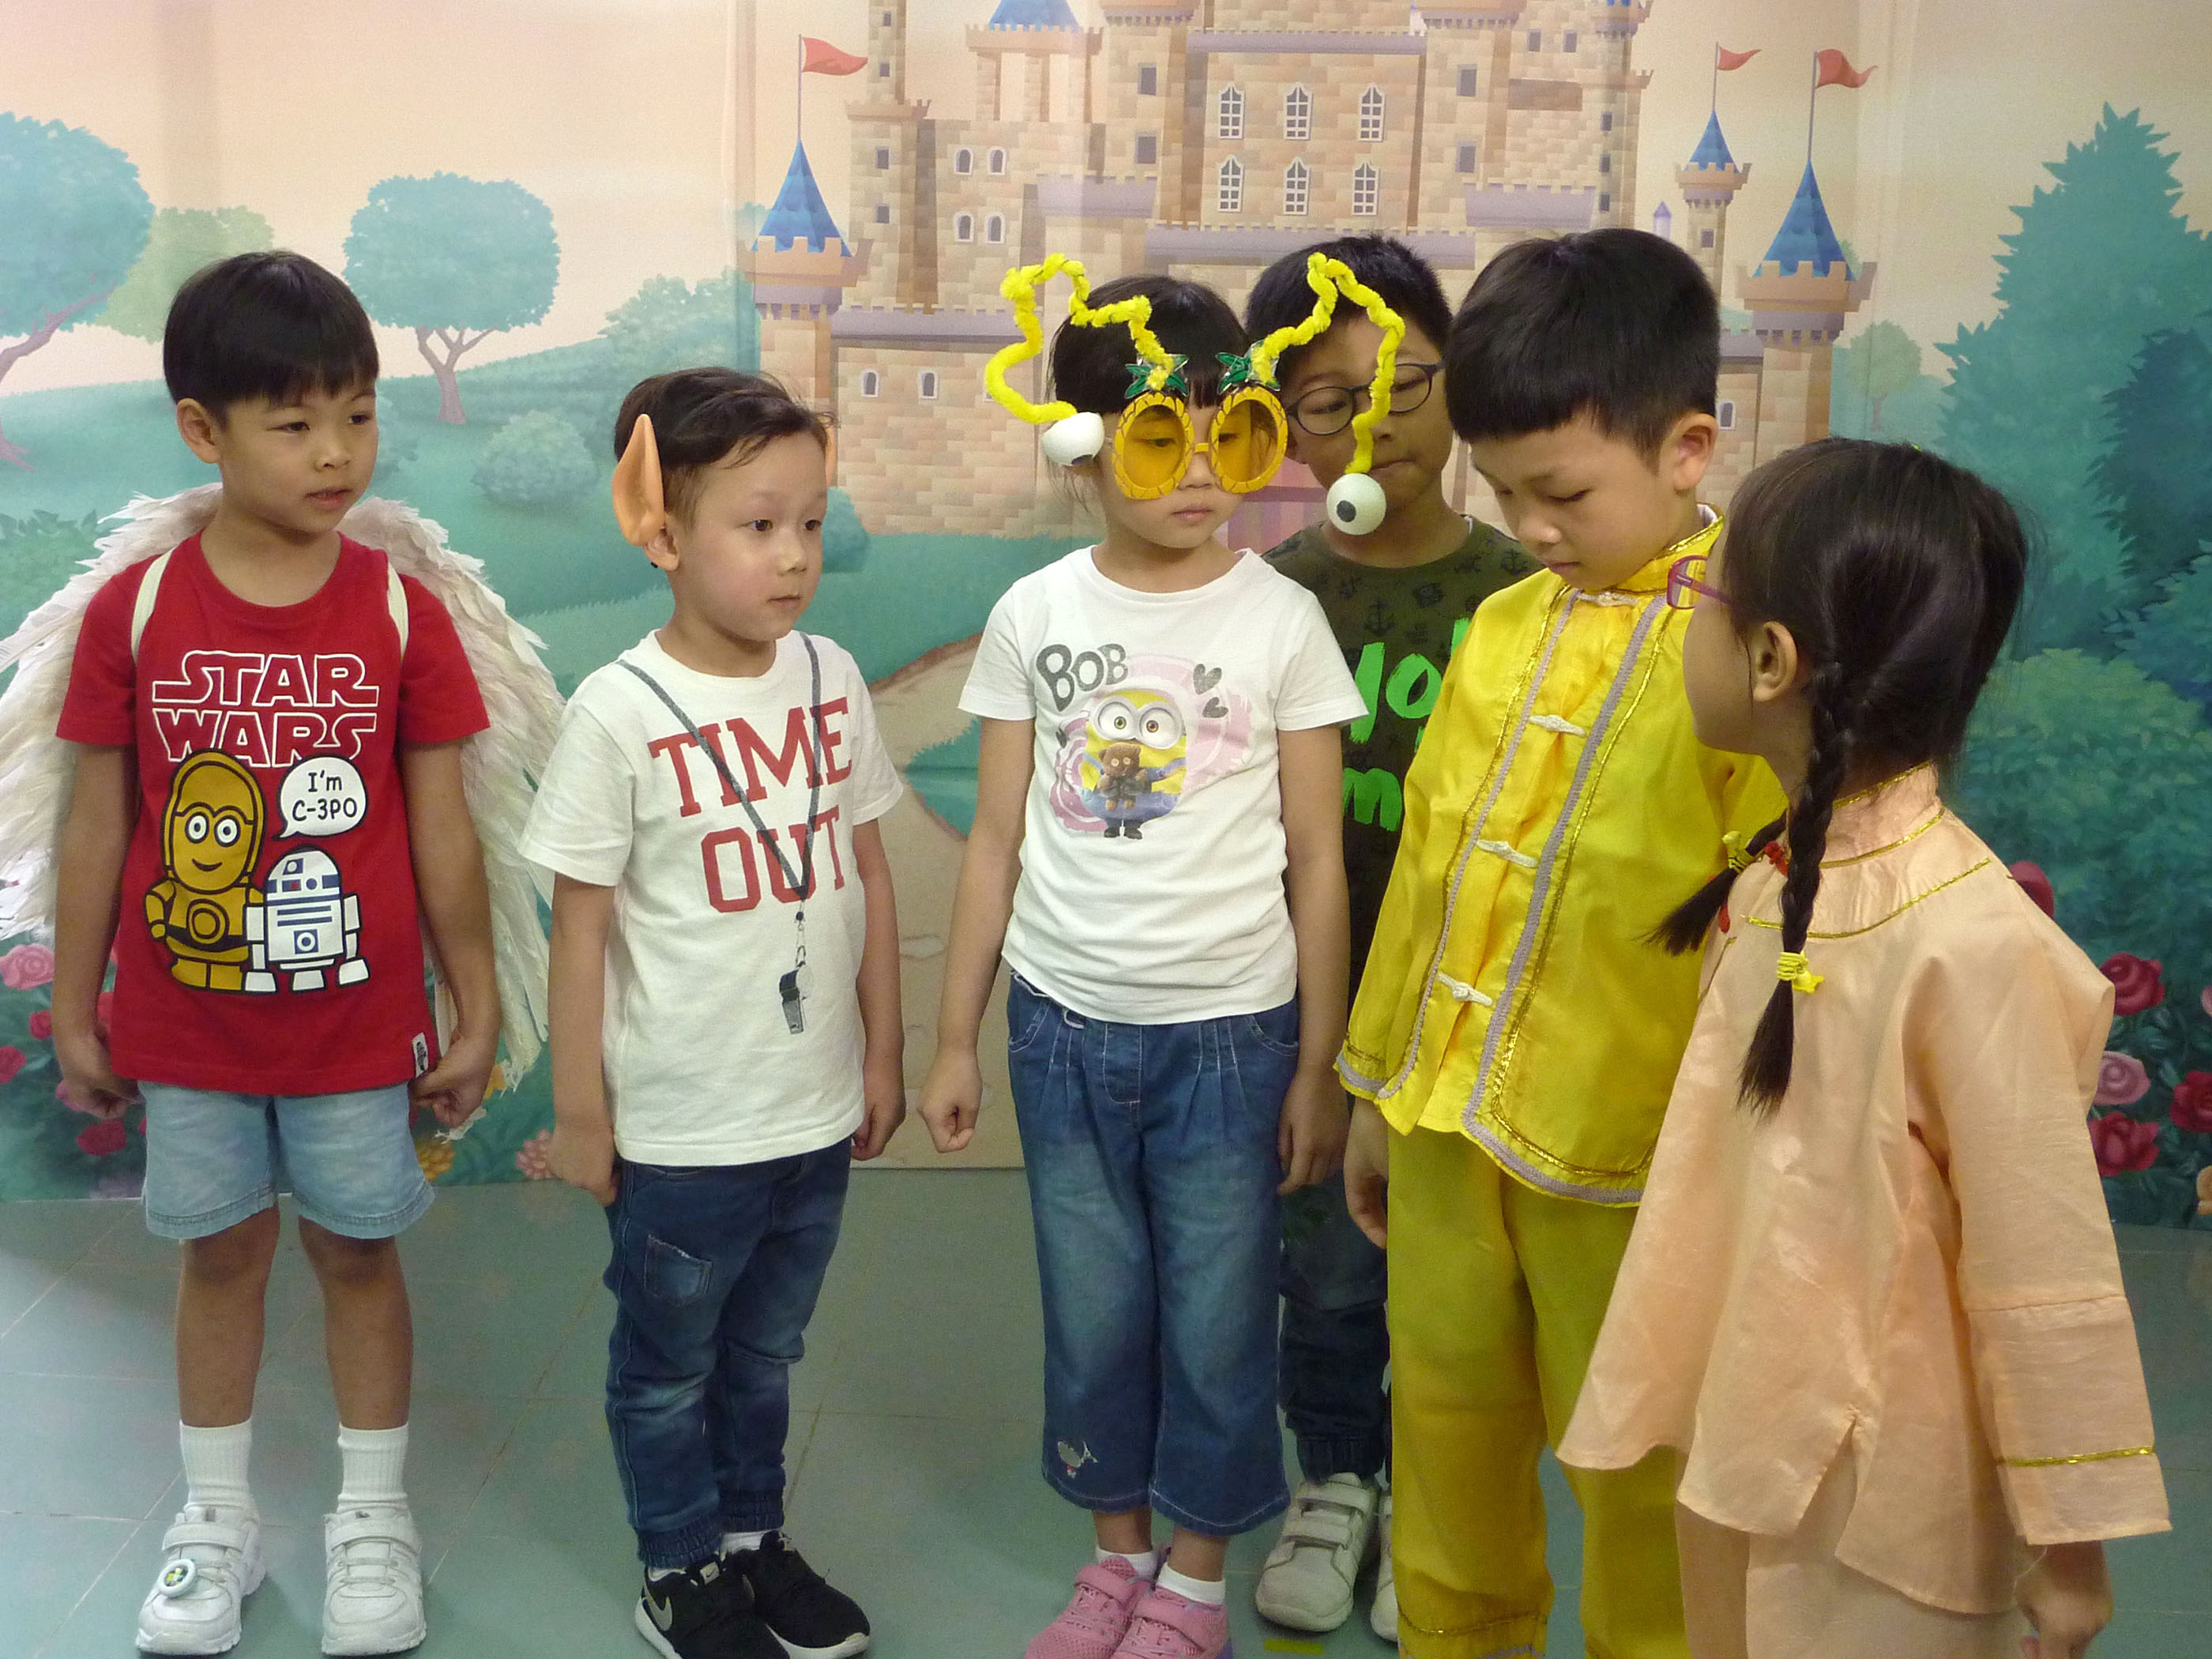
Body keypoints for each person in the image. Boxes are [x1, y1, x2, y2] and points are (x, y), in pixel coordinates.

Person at [1559, 439, 2170, 1659]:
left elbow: (2040, 1258)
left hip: (1890, 1504)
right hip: (1744, 1436)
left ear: (1770, 660)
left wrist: (2070, 1548)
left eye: (1701, 594)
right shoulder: (1774, 887)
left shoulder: (1969, 941)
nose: (1684, 617)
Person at [1336, 228, 1788, 1659]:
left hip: (1632, 1162)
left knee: (1640, 1468)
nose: (1530, 525)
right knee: (1445, 1434)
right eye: (1504, 491)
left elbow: (1774, 945)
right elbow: (1426, 869)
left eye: (1564, 493)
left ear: (1687, 448)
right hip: (1444, 1129)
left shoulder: (1752, 657)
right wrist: (1375, 1090)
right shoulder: (1498, 626)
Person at [50, 252, 499, 1657]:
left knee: (358, 1254)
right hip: (188, 1031)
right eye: (295, 423)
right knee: (222, 1255)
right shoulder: (135, 612)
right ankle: (214, 1521)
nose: (336, 453)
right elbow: (96, 820)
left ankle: (373, 1519)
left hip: (355, 1030)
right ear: (204, 429)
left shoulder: (399, 610)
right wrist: (76, 1004)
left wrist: (477, 999)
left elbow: (447, 826)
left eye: (357, 415)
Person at [920, 273, 1368, 1659]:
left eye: (1231, 437)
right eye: (1160, 439)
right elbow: (994, 838)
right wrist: (956, 1038)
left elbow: (1318, 859)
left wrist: (1321, 1065)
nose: (1202, 476)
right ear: (1084, 446)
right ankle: (1118, 1555)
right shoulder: (1034, 612)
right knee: (1096, 1307)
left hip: (1234, 1040)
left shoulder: (1281, 619)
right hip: (1062, 1032)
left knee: (1222, 1316)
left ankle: (1196, 1579)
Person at [523, 368, 905, 1659]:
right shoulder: (619, 711)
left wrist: (884, 1053)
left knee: (767, 1352)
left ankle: (752, 1541)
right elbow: (580, 929)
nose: (794, 555)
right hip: (683, 1130)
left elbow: (867, 870)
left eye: (810, 522)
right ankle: (678, 1566)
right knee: (670, 1365)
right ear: (662, 529)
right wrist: (583, 1113)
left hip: (810, 1112)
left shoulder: (832, 677)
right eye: (757, 525)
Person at [1243, 232, 1533, 1642]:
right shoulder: (1264, 601)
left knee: (1462, 1284)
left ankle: (1438, 1500)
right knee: (1327, 1271)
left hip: (1471, 1025)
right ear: (1277, 420)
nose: (1376, 425)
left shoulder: (1523, 600)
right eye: (1330, 399)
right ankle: (1337, 1481)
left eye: (1408, 382)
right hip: (1314, 1022)